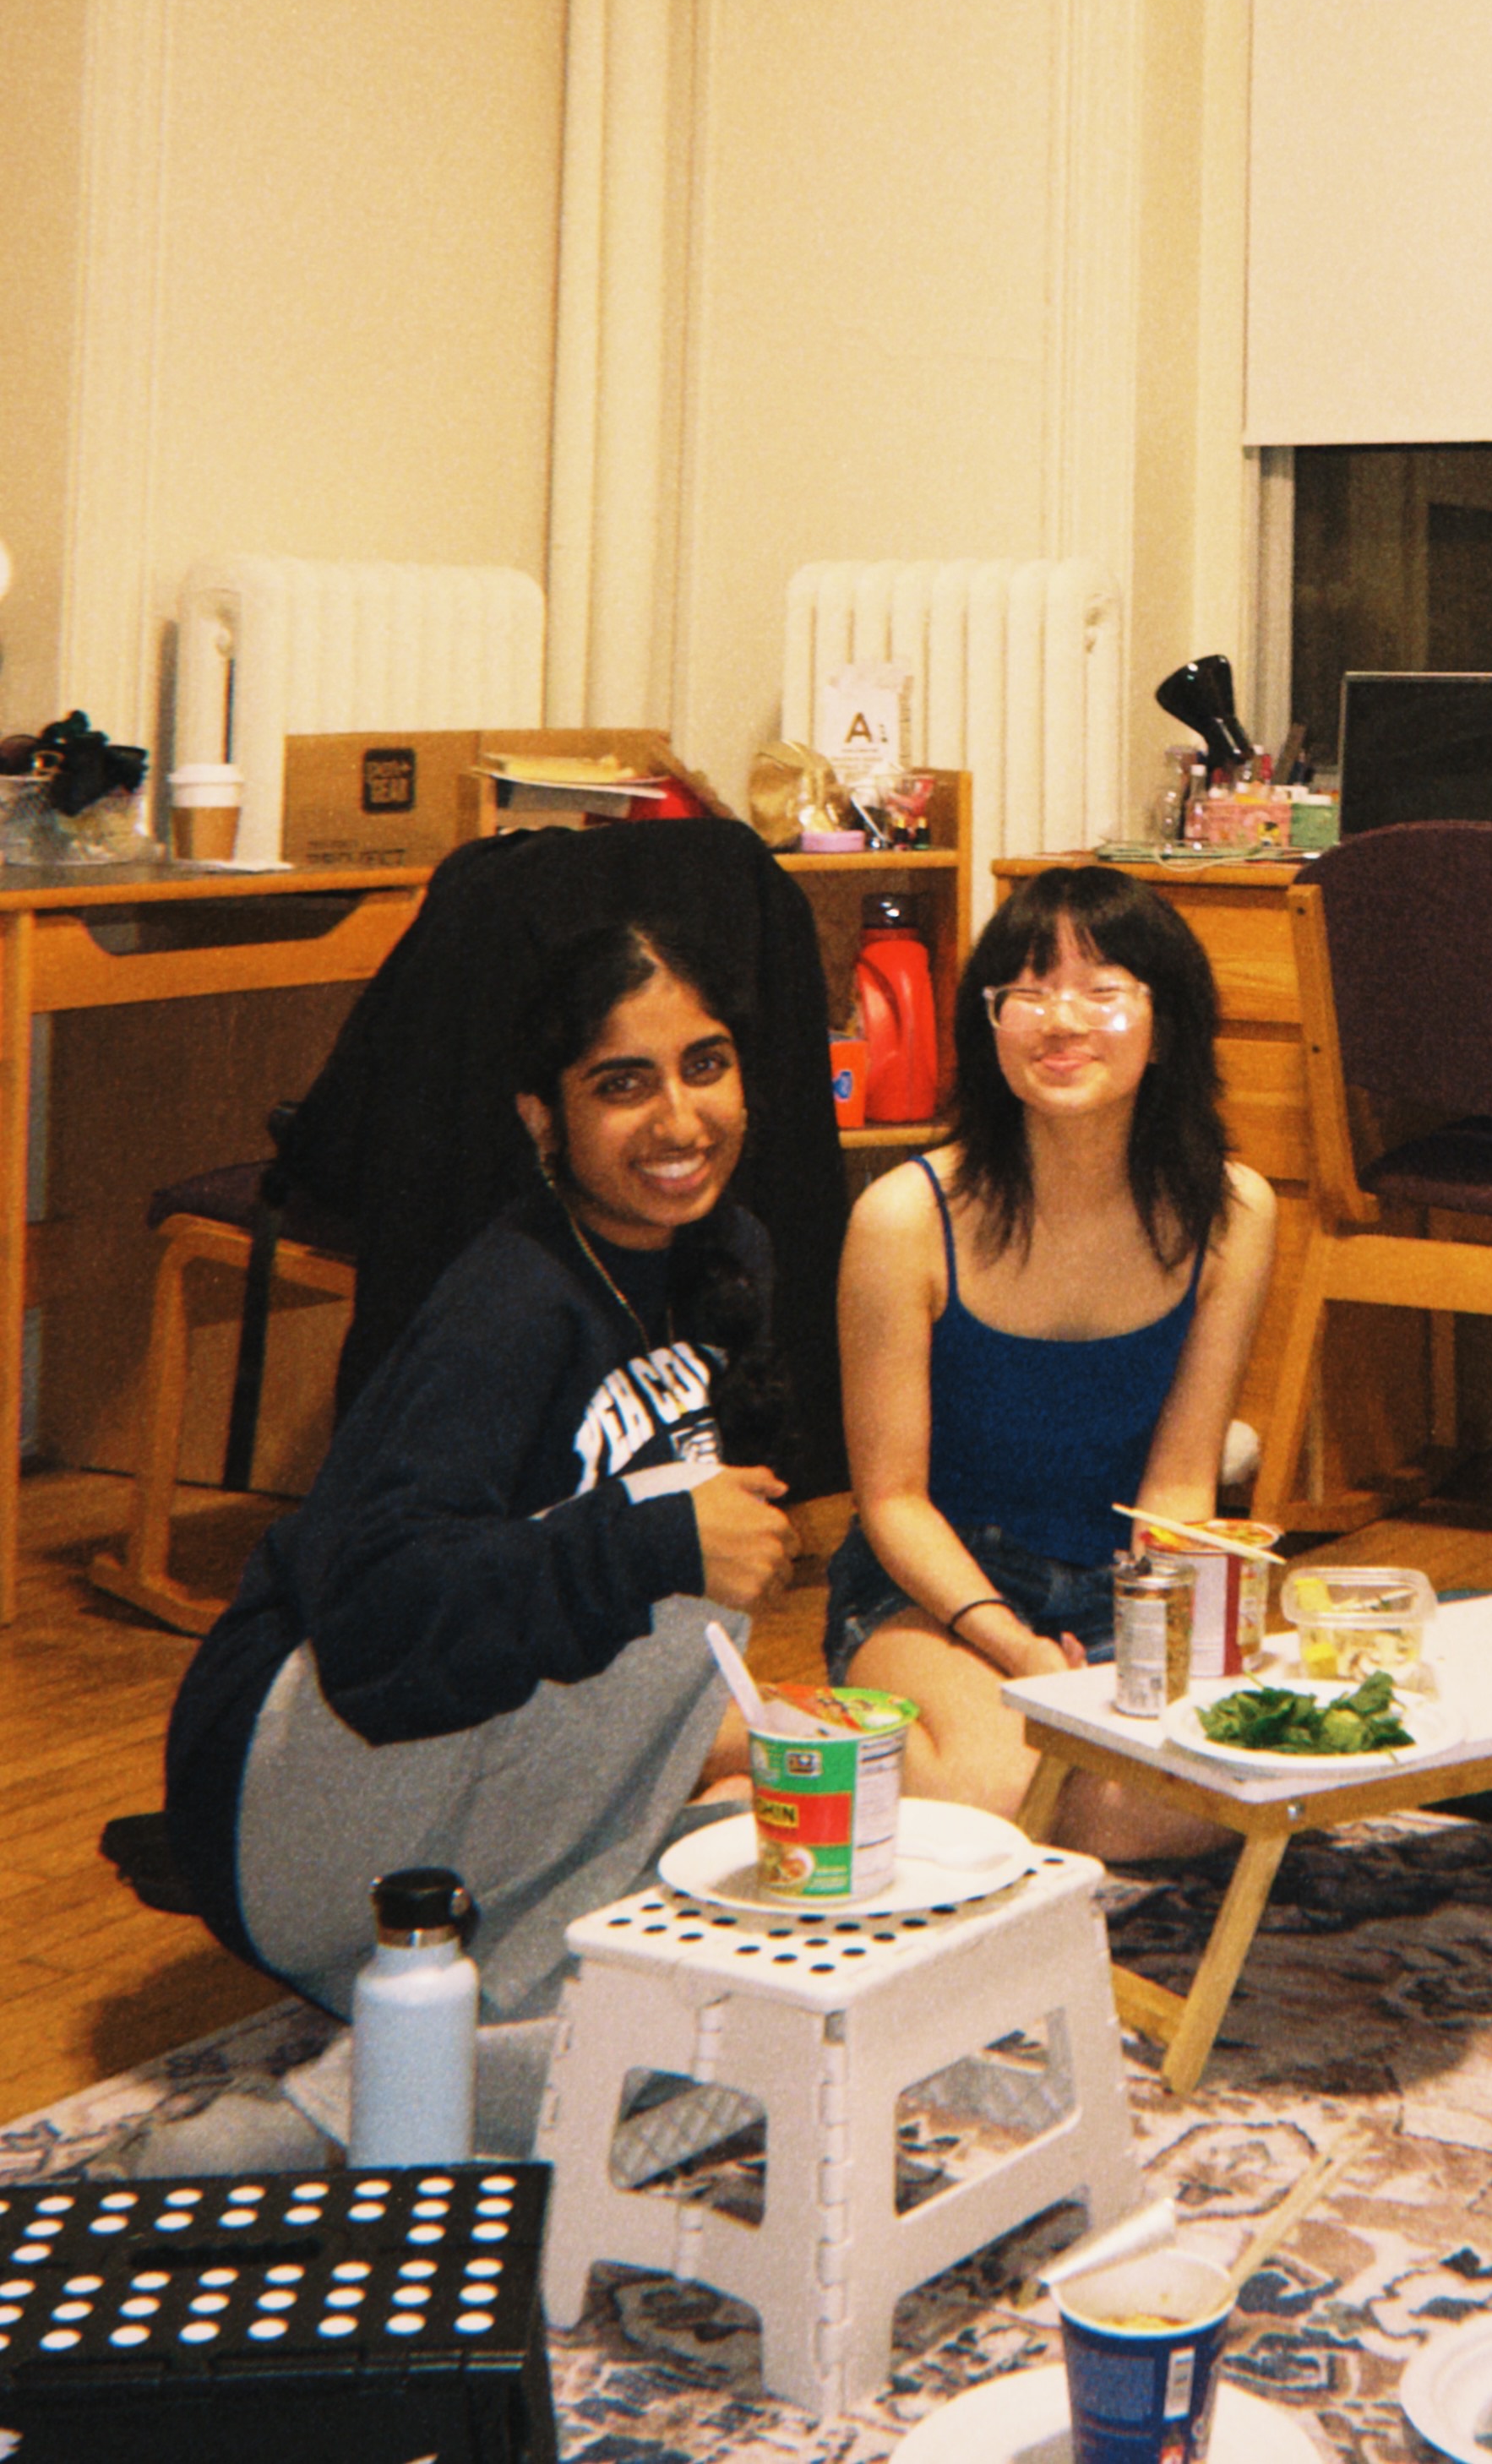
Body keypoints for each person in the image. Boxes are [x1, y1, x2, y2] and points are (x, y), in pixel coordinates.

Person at [166, 917, 802, 2026]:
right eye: (622, 1082)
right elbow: (369, 1626)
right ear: (541, 1116)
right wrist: (652, 1542)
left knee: (762, 1921)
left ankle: (480, 2015)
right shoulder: (507, 1304)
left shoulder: (728, 1249)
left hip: (453, 1785)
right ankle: (359, 2094)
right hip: (291, 1791)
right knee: (676, 1578)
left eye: (705, 1064)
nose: (679, 1117)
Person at [827, 863, 1275, 1852]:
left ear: (1169, 1021)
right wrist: (1015, 1644)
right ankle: (774, 1762)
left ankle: (868, 1774)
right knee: (1001, 1791)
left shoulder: (1233, 1210)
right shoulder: (904, 1216)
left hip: (1125, 1590)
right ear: (989, 1025)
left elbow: (1182, 1482)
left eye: (1102, 989)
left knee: (1221, 1796)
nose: (1060, 1019)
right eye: (1026, 991)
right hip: (939, 1595)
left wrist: (1170, 1643)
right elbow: (892, 1500)